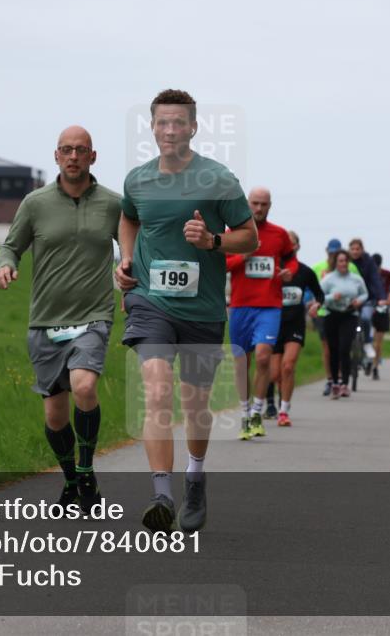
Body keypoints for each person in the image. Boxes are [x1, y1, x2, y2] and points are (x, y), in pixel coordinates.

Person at [115, 89, 258, 533]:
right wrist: (126, 258)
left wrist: (213, 240)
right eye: (162, 122)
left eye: (179, 122)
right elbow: (129, 218)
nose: (170, 130)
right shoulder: (138, 180)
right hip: (150, 302)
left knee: (196, 407)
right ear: (152, 128)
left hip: (202, 308)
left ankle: (195, 478)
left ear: (193, 128)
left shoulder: (218, 179)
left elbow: (249, 236)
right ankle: (161, 495)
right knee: (157, 390)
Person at [0, 126, 121, 514]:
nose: (73, 156)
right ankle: (71, 481)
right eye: (66, 150)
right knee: (54, 415)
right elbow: (11, 246)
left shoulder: (113, 204)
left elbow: (134, 247)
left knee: (84, 385)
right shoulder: (35, 203)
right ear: (56, 156)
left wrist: (132, 276)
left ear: (93, 157)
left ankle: (85, 470)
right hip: (46, 320)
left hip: (94, 315)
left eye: (81, 150)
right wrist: (5, 265)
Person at [226, 187, 298, 440]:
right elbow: (221, 263)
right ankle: (245, 413)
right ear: (247, 204)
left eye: (263, 204)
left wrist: (289, 271)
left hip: (269, 305)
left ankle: (257, 412)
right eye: (255, 203)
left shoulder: (279, 234)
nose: (258, 208)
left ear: (270, 206)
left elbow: (291, 259)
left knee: (264, 356)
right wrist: (243, 256)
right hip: (240, 305)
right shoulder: (233, 234)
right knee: (241, 363)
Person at [270, 230, 322, 426]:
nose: (288, 246)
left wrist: (316, 305)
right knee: (275, 374)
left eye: (292, 243)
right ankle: (279, 399)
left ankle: (284, 411)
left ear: (297, 247)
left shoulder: (305, 272)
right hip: (273, 324)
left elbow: (319, 294)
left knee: (288, 366)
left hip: (295, 324)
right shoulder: (272, 269)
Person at [312, 240, 360, 396]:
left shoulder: (352, 268)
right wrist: (310, 303)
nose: (333, 254)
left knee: (343, 347)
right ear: (327, 251)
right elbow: (312, 289)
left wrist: (359, 301)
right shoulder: (318, 267)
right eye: (331, 252)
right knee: (328, 348)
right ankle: (330, 379)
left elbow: (359, 287)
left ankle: (341, 379)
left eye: (336, 252)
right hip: (324, 313)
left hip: (347, 312)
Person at [320, 250, 368, 400]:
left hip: (349, 315)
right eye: (340, 261)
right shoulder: (328, 279)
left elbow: (365, 293)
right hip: (332, 315)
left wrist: (359, 301)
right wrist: (331, 297)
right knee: (333, 349)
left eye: (345, 261)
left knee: (344, 348)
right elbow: (319, 296)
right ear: (335, 263)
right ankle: (335, 382)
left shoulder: (356, 279)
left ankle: (345, 383)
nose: (343, 264)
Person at [347, 238, 386, 364]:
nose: (355, 251)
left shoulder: (369, 262)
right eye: (352, 249)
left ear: (362, 250)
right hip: (350, 299)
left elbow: (376, 280)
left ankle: (367, 342)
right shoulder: (345, 261)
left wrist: (381, 297)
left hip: (368, 298)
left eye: (357, 249)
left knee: (365, 318)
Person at [370, 253, 390, 380]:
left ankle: (375, 367)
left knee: (378, 342)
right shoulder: (367, 274)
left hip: (382, 309)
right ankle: (364, 358)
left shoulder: (388, 275)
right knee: (366, 337)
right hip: (369, 307)